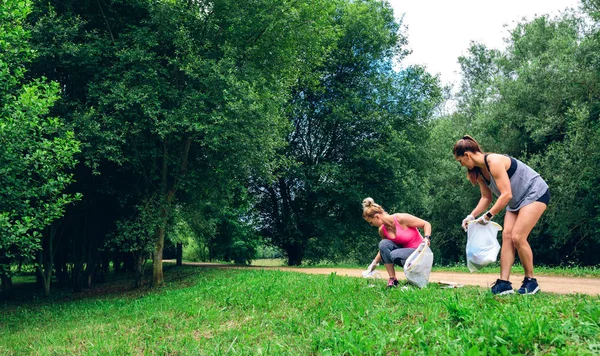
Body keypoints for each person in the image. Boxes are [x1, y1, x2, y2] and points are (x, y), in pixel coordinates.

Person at [453, 135, 550, 295]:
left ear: (467, 155)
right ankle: (504, 283)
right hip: (516, 201)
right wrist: (472, 215)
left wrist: (488, 216)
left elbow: (506, 195)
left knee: (518, 237)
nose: (461, 164)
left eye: (460, 161)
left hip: (534, 192)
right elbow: (486, 198)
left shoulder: (494, 162)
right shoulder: (480, 173)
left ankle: (531, 282)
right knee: (507, 236)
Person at [362, 197, 431, 288]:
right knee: (383, 244)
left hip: (420, 254)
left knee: (394, 254)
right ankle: (393, 280)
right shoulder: (382, 230)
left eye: (371, 222)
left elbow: (426, 224)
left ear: (377, 217)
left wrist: (427, 238)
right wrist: (373, 263)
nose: (371, 225)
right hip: (405, 254)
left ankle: (414, 279)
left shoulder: (400, 218)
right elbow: (383, 249)